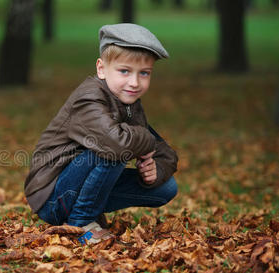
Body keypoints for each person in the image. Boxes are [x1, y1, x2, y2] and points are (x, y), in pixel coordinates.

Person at [24, 23, 178, 244]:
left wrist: (156, 168)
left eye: (144, 73)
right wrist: (144, 140)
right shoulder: (89, 98)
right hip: (52, 197)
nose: (134, 82)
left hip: (76, 188)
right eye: (124, 71)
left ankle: (88, 212)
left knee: (166, 187)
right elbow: (117, 143)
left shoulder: (128, 102)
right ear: (101, 68)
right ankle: (81, 224)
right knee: (115, 148)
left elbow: (166, 153)